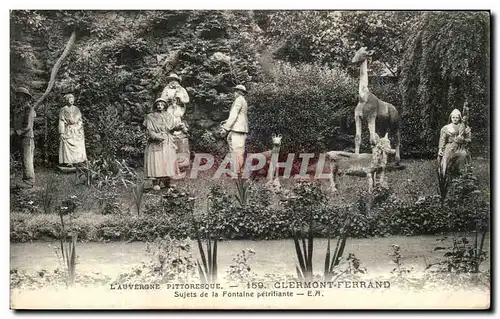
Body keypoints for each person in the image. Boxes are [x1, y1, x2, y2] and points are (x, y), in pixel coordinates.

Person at [144, 97, 182, 190]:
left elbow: (172, 127)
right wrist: (156, 137)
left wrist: (179, 127)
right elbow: (150, 130)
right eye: (158, 104)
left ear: (165, 106)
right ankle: (155, 182)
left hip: (167, 140)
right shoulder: (150, 116)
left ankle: (167, 182)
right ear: (155, 106)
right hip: (156, 142)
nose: (160, 106)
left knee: (167, 160)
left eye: (162, 104)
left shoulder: (169, 116)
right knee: (156, 160)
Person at [160, 73, 190, 168]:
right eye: (171, 80)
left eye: (174, 80)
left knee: (177, 121)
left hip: (177, 109)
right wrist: (168, 99)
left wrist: (179, 98)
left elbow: (186, 99)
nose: (173, 82)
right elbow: (161, 99)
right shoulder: (166, 89)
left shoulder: (181, 89)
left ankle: (178, 132)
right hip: (169, 109)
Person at [220, 84, 248, 178]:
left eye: (235, 91)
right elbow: (239, 116)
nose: (234, 93)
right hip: (240, 128)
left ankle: (236, 173)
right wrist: (227, 122)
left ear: (238, 92)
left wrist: (225, 128)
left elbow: (234, 115)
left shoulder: (238, 100)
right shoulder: (243, 101)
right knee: (237, 150)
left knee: (236, 151)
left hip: (237, 129)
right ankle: (238, 171)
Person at [438, 108, 471, 178]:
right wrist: (440, 149)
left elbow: (468, 139)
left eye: (457, 117)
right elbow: (442, 140)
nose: (455, 119)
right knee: (447, 156)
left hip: (460, 146)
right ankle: (445, 174)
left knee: (463, 154)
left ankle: (462, 175)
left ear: (460, 118)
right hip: (449, 146)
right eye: (453, 117)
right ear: (451, 117)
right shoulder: (445, 128)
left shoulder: (464, 127)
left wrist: (463, 140)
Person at [14, 87, 36, 188]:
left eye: (20, 96)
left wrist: (15, 132)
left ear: (25, 97)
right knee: (23, 158)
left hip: (27, 138)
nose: (17, 98)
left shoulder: (29, 109)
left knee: (27, 159)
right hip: (20, 137)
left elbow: (28, 127)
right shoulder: (18, 109)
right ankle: (25, 179)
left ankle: (29, 182)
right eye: (17, 96)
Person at [58, 94, 87, 166]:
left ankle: (78, 160)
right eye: (69, 99)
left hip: (76, 129)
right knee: (67, 143)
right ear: (66, 100)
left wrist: (79, 128)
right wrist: (61, 132)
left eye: (72, 99)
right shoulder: (63, 109)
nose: (71, 100)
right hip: (68, 129)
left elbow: (80, 120)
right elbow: (61, 121)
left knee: (78, 144)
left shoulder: (76, 109)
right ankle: (69, 161)